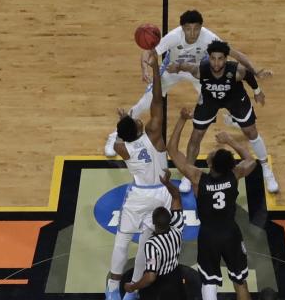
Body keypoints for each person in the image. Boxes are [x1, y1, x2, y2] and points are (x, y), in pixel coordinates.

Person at [103, 10, 269, 177]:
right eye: (188, 29)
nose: (192, 33)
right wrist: (144, 68)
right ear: (182, 28)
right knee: (146, 101)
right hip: (172, 70)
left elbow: (236, 54)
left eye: (196, 29)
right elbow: (149, 51)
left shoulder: (209, 37)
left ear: (201, 28)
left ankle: (233, 117)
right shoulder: (174, 36)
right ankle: (115, 134)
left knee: (216, 95)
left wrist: (255, 72)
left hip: (199, 72)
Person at [168, 110, 255, 300]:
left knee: (209, 285)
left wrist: (182, 120)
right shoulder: (235, 175)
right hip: (230, 233)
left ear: (210, 164)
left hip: (208, 236)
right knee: (241, 283)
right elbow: (250, 159)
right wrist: (231, 141)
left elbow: (174, 152)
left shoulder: (198, 178)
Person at [99, 50, 169, 300]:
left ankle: (112, 291)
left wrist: (121, 123)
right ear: (141, 128)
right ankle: (132, 294)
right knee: (145, 243)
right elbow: (158, 103)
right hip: (160, 193)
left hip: (138, 195)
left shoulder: (122, 147)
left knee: (121, 241)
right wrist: (155, 71)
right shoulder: (153, 136)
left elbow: (119, 138)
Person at [169, 40, 279, 193]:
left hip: (234, 99)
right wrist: (176, 67)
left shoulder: (236, 71)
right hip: (210, 99)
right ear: (209, 58)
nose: (216, 62)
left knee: (251, 132)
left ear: (226, 59)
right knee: (196, 135)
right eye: (213, 58)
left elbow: (248, 75)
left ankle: (266, 169)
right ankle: (188, 174)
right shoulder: (201, 70)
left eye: (220, 58)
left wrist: (257, 91)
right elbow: (185, 66)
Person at [123, 170, 187, 300]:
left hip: (160, 283)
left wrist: (133, 287)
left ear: (153, 222)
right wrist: (167, 183)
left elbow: (151, 277)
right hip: (175, 277)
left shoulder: (152, 244)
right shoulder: (177, 226)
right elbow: (176, 196)